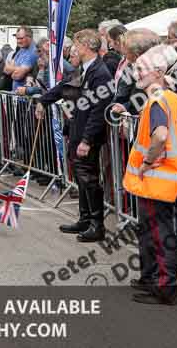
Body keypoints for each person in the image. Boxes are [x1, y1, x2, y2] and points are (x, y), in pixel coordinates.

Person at [124, 44, 177, 305]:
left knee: (158, 233)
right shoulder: (169, 97)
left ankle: (165, 288)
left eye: (141, 68)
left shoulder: (158, 99)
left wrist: (147, 161)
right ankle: (153, 281)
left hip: (157, 177)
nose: (135, 72)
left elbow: (160, 135)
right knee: (154, 231)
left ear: (159, 71)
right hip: (163, 177)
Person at [37, 29, 112, 242]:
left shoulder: (101, 73)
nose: (73, 50)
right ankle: (85, 218)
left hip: (88, 134)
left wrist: (87, 140)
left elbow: (98, 110)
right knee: (81, 176)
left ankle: (97, 225)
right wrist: (43, 100)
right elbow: (63, 87)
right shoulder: (83, 69)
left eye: (77, 45)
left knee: (89, 178)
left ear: (86, 46)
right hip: (77, 129)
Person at [5, 26, 38, 92]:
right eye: (17, 38)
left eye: (21, 38)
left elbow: (17, 76)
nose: (18, 41)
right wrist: (18, 69)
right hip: (16, 94)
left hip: (25, 97)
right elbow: (6, 70)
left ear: (29, 37)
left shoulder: (33, 52)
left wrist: (13, 69)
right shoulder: (21, 50)